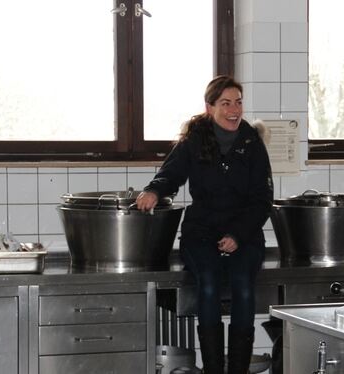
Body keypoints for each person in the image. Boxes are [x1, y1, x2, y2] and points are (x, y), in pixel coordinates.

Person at [136, 75, 274, 374]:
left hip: (245, 234)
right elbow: (171, 173)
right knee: (208, 285)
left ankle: (236, 369)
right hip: (202, 232)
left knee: (243, 288)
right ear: (210, 107)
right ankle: (213, 368)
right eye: (225, 103)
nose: (233, 109)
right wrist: (154, 190)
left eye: (238, 102)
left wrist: (238, 235)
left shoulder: (252, 143)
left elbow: (262, 199)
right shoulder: (195, 140)